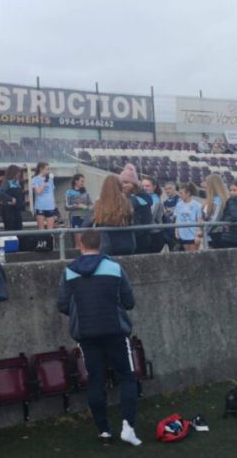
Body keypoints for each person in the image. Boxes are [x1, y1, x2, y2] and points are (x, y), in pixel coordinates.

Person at [57, 230, 141, 447]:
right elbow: (129, 302)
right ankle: (128, 427)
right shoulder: (115, 268)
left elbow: (63, 305)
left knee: (95, 379)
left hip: (86, 333)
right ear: (101, 245)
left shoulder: (68, 271)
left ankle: (104, 431)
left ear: (81, 245)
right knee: (127, 377)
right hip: (115, 330)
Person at [85, 175, 135, 256]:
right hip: (127, 243)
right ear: (119, 186)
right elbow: (131, 220)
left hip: (106, 245)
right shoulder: (127, 202)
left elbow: (85, 224)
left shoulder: (99, 203)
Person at [119, 164, 152, 254]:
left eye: (127, 182)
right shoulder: (121, 198)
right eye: (122, 182)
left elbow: (147, 221)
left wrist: (134, 233)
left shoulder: (142, 200)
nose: (124, 185)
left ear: (134, 184)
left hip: (139, 241)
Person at [201, 175, 228, 248]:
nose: (205, 187)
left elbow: (214, 219)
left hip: (218, 234)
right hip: (211, 233)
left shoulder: (219, 200)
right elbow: (205, 217)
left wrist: (204, 231)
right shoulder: (210, 199)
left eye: (207, 184)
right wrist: (203, 208)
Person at [65, 174, 92, 247]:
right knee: (78, 242)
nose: (83, 183)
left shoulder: (86, 193)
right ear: (76, 182)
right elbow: (66, 206)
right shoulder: (69, 192)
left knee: (86, 242)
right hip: (75, 217)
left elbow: (91, 205)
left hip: (86, 218)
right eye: (81, 181)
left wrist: (87, 207)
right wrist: (77, 206)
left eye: (84, 181)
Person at [174, 182, 202, 251]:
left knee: (193, 255)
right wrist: (176, 230)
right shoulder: (179, 204)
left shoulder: (197, 205)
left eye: (181, 193)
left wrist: (197, 235)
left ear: (188, 193)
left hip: (193, 235)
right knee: (186, 255)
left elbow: (199, 220)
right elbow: (177, 218)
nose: (179, 195)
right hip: (182, 234)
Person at [141, 176, 165, 253]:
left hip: (154, 234)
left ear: (154, 187)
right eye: (143, 186)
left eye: (147, 186)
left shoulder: (155, 199)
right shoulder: (144, 197)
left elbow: (150, 217)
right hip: (148, 233)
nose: (144, 188)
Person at [0, 164, 26, 231]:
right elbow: (0, 192)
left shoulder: (17, 182)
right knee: (10, 228)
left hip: (17, 210)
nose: (19, 174)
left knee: (19, 227)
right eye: (18, 172)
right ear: (14, 172)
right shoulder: (7, 182)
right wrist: (10, 198)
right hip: (8, 210)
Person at [31, 161, 57, 229]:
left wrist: (54, 205)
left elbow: (52, 193)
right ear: (41, 169)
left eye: (49, 169)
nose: (48, 171)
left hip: (50, 206)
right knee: (41, 229)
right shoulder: (35, 179)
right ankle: (42, 240)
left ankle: (50, 239)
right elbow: (37, 192)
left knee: (51, 229)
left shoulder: (50, 179)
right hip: (40, 206)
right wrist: (43, 184)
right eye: (47, 169)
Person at [161, 181, 180, 250]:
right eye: (166, 189)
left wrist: (171, 211)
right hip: (168, 230)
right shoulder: (165, 202)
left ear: (174, 189)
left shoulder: (179, 199)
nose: (167, 191)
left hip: (177, 230)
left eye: (169, 188)